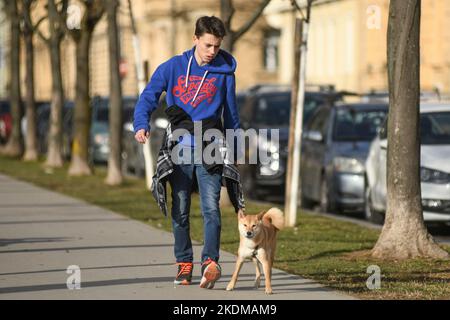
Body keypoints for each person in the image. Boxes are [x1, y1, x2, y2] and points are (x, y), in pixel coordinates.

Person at [133, 16, 241, 289]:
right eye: (207, 45)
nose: (212, 52)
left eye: (217, 46)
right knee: (180, 210)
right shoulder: (173, 67)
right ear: (195, 39)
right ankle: (184, 263)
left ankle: (210, 263)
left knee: (211, 210)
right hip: (179, 148)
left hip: (211, 147)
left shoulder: (225, 72)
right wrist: (141, 124)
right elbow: (149, 95)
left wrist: (236, 146)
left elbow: (231, 113)